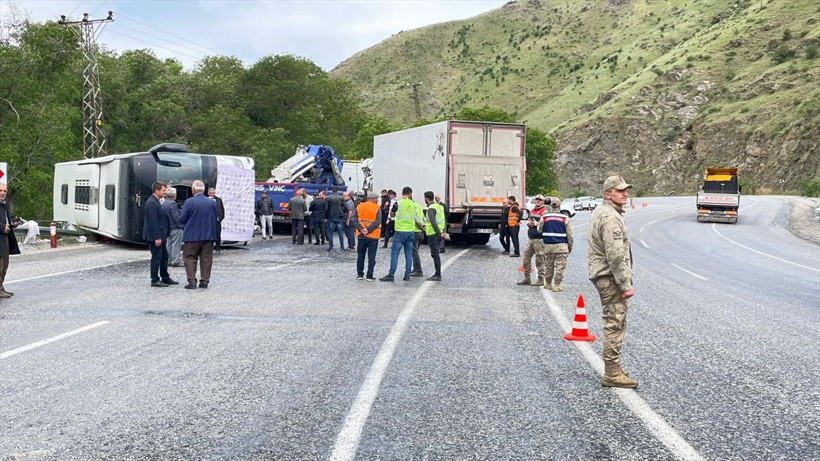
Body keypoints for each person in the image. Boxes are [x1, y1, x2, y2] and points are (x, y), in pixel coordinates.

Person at [588, 175, 637, 389]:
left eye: (626, 190)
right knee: (615, 323)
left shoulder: (604, 211)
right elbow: (616, 255)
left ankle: (614, 367)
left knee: (614, 320)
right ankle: (611, 372)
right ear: (608, 194)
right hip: (610, 277)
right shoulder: (610, 217)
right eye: (620, 190)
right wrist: (625, 284)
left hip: (605, 275)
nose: (625, 193)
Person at [180, 180, 218, 290]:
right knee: (206, 259)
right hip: (208, 235)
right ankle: (204, 281)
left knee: (190, 257)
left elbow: (182, 219)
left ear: (193, 190)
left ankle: (192, 281)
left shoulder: (189, 202)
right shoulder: (212, 202)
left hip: (192, 236)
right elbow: (216, 218)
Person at [381, 186, 422, 282]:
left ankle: (391, 275)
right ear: (410, 194)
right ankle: (407, 275)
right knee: (408, 254)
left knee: (395, 253)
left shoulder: (398, 203)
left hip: (400, 232)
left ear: (402, 193)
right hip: (410, 232)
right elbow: (415, 218)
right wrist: (421, 228)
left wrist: (393, 213)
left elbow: (391, 214)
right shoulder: (413, 204)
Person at [143, 181, 178, 287]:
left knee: (164, 257)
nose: (165, 192)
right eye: (163, 190)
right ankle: (154, 279)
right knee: (156, 258)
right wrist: (157, 238)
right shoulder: (152, 203)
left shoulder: (157, 201)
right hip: (156, 237)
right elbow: (152, 222)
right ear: (156, 190)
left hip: (162, 235)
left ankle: (165, 277)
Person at [539, 198, 573, 291]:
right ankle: (557, 285)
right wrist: (570, 246)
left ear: (550, 205)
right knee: (560, 267)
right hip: (561, 246)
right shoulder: (565, 218)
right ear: (560, 205)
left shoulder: (545, 217)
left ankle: (548, 284)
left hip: (548, 246)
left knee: (548, 265)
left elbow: (539, 229)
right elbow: (569, 235)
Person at [518, 194, 549, 286]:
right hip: (531, 238)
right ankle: (527, 278)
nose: (538, 201)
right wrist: (529, 224)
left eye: (540, 200)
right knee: (526, 259)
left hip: (539, 239)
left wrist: (536, 224)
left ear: (543, 201)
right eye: (537, 199)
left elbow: (546, 225)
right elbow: (531, 220)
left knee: (540, 260)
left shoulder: (545, 211)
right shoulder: (532, 210)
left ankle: (540, 279)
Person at [351, 191, 382, 281]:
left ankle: (360, 274)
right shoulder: (377, 208)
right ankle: (369, 275)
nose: (377, 200)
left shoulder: (359, 206)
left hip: (361, 235)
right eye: (376, 198)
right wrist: (368, 230)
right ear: (372, 199)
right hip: (373, 236)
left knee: (360, 256)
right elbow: (378, 221)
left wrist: (361, 229)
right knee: (371, 256)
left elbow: (354, 219)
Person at [0, 183, 21, 298]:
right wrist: (2, 227)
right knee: (0, 265)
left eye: (4, 191)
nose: (2, 193)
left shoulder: (4, 204)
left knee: (5, 265)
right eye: (0, 190)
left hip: (5, 238)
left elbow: (6, 220)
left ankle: (1, 287)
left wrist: (12, 224)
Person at [424, 191, 446, 281]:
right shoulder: (440, 207)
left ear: (426, 198)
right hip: (439, 232)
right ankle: (437, 274)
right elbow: (443, 220)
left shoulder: (431, 208)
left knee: (435, 254)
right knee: (436, 253)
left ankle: (437, 274)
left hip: (434, 234)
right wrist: (443, 232)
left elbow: (433, 223)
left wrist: (439, 233)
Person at [163, 187, 184, 267]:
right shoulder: (173, 204)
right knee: (176, 244)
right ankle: (175, 260)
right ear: (174, 195)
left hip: (167, 228)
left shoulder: (164, 203)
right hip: (175, 227)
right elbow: (176, 217)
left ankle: (168, 260)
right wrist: (180, 226)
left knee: (169, 244)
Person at [325, 187, 346, 251]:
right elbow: (345, 207)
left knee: (330, 232)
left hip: (331, 216)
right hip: (339, 216)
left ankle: (331, 247)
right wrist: (343, 213)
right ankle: (342, 246)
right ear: (337, 191)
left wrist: (325, 217)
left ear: (332, 191)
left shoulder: (328, 198)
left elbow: (326, 208)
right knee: (340, 232)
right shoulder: (341, 198)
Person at [410, 197, 425, 277]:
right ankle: (415, 268)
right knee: (415, 251)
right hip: (420, 232)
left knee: (414, 251)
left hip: (415, 230)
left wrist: (420, 227)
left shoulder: (411, 206)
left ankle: (418, 270)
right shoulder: (418, 205)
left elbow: (415, 219)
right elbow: (423, 217)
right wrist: (423, 227)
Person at [207, 188, 225, 253]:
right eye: (211, 193)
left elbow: (222, 209)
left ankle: (218, 248)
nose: (212, 194)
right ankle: (209, 248)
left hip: (217, 221)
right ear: (208, 193)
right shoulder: (206, 200)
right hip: (209, 222)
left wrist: (220, 218)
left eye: (213, 193)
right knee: (209, 235)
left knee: (218, 235)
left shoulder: (219, 200)